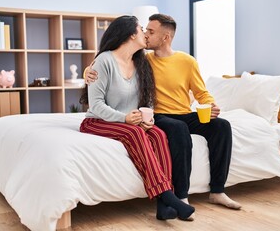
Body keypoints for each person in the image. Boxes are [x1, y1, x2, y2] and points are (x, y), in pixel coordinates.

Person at [84, 14, 241, 218]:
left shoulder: (185, 61)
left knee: (222, 126)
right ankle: (181, 196)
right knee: (177, 129)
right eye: (145, 30)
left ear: (165, 37)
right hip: (159, 115)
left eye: (151, 31)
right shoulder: (143, 59)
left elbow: (201, 92)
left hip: (184, 112)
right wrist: (88, 70)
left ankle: (218, 190)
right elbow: (110, 61)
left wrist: (210, 104)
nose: (146, 35)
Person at [79, 15, 195, 221]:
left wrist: (146, 116)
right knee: (134, 133)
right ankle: (167, 194)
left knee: (159, 135)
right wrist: (125, 118)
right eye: (142, 29)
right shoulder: (104, 60)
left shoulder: (140, 62)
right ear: (132, 34)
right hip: (98, 121)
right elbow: (95, 106)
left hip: (130, 120)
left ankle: (163, 206)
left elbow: (148, 97)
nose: (145, 34)